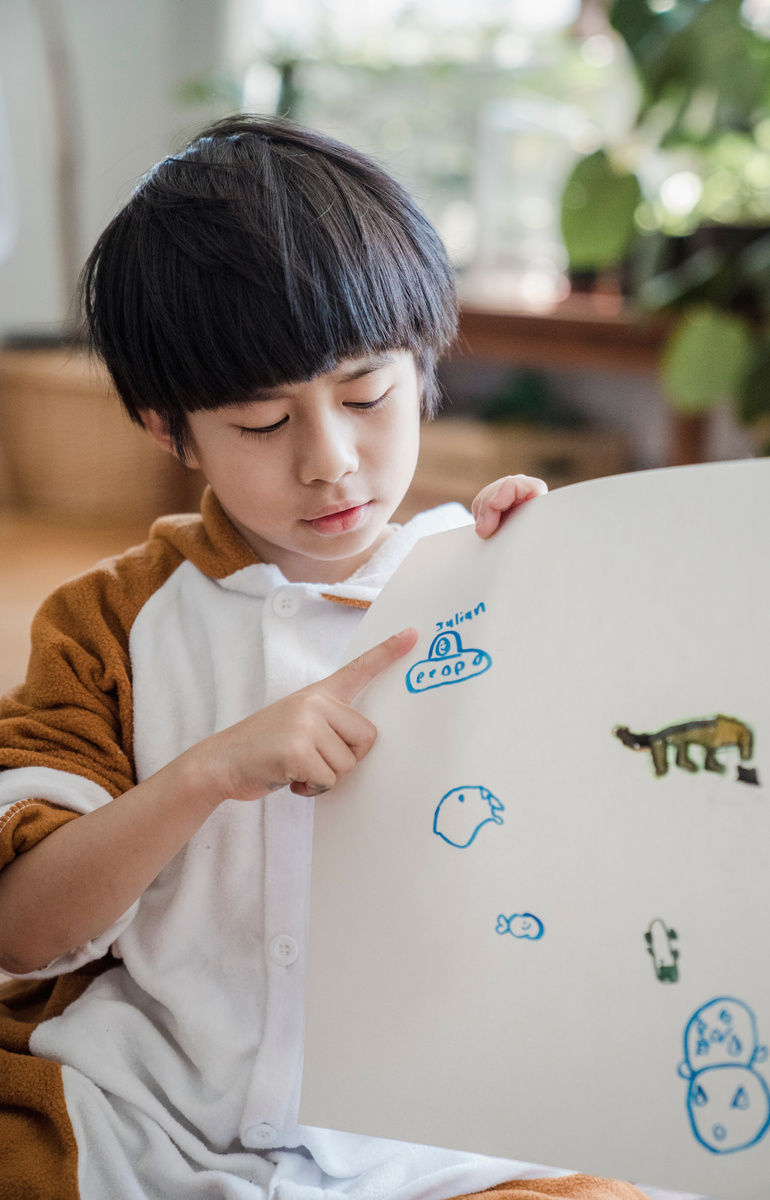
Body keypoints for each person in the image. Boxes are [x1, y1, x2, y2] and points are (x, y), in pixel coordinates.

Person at [0, 116, 649, 1200]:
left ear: (423, 360)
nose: (331, 462)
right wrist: (209, 772)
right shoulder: (106, 623)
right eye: (261, 423)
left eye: (364, 396)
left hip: (446, 1142)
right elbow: (25, 932)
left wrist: (556, 608)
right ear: (171, 430)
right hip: (148, 1122)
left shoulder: (486, 576)